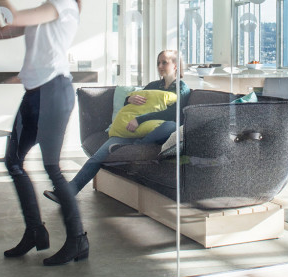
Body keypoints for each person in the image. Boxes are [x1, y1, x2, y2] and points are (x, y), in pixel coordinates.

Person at [0, 0, 88, 266]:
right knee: (13, 161)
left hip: (54, 93)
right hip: (34, 94)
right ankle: (35, 232)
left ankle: (78, 240)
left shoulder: (63, 5)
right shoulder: (45, 12)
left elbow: (13, 16)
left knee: (52, 167)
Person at [44, 49, 190, 203]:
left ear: (175, 66)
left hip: (156, 135)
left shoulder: (182, 88)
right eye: (158, 62)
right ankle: (68, 192)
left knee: (170, 126)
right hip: (134, 132)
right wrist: (129, 99)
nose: (160, 66)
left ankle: (135, 146)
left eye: (164, 62)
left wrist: (139, 120)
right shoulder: (153, 85)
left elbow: (172, 114)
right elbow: (133, 103)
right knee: (99, 155)